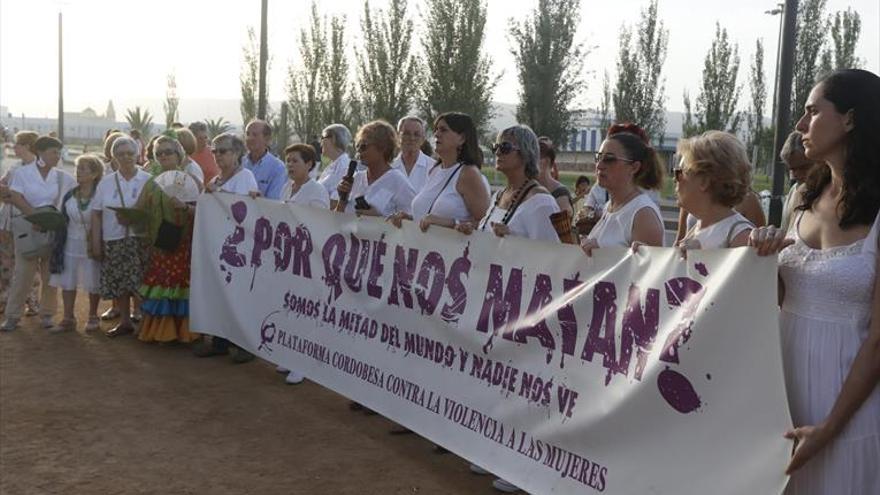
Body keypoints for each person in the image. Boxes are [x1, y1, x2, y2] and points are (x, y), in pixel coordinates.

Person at [749, 69, 880, 494]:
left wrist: (827, 429)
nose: (800, 126)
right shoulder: (800, 198)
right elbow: (780, 298)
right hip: (780, 396)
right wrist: (760, 259)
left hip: (847, 411)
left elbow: (879, 340)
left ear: (851, 119)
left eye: (811, 111)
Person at [457, 124, 560, 493]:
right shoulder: (502, 195)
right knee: (496, 382)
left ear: (526, 154)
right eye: (496, 146)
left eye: (507, 147)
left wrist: (516, 243)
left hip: (524, 309)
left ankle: (523, 467)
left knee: (522, 389)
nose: (498, 152)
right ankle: (495, 451)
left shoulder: (541, 201)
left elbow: (554, 260)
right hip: (494, 304)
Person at [195, 133, 260, 363]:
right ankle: (220, 341)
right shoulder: (214, 181)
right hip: (217, 247)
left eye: (223, 151)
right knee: (219, 295)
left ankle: (244, 345)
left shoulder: (245, 177)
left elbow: (245, 211)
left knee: (240, 296)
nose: (218, 155)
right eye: (215, 151)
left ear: (237, 153)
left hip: (238, 248)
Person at [0, 135, 76, 331]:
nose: (57, 156)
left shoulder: (63, 177)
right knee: (22, 274)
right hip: (27, 228)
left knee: (50, 275)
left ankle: (47, 315)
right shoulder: (22, 173)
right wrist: (36, 218)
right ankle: (12, 316)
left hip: (52, 230)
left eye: (59, 152)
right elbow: (16, 196)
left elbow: (78, 192)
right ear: (40, 152)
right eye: (53, 152)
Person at [134, 135, 201, 344]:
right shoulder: (151, 184)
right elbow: (140, 210)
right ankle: (162, 331)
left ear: (178, 154)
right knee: (162, 281)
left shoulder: (193, 181)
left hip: (185, 242)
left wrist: (186, 208)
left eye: (168, 152)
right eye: (159, 153)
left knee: (182, 282)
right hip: (159, 244)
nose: (163, 156)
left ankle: (185, 332)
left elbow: (205, 212)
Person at [275, 143, 329, 384]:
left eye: (295, 160)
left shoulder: (316, 191)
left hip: (309, 259)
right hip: (287, 256)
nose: (290, 165)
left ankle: (304, 363)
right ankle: (289, 356)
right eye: (288, 160)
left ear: (309, 164)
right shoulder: (287, 187)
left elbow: (319, 224)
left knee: (306, 310)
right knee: (288, 305)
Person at [90, 136, 152, 337]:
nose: (126, 157)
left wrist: (135, 220)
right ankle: (125, 321)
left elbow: (154, 211)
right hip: (114, 239)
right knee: (121, 282)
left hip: (140, 238)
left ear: (137, 155)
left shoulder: (147, 179)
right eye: (121, 154)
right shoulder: (106, 183)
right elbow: (96, 213)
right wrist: (96, 243)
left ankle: (144, 321)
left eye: (130, 153)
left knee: (142, 281)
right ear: (114, 157)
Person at [388, 112, 490, 231]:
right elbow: (428, 218)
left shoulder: (469, 174)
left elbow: (485, 224)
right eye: (436, 129)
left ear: (461, 138)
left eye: (443, 130)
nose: (436, 134)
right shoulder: (435, 170)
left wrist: (450, 223)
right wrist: (409, 219)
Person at [580, 123, 665, 255]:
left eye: (609, 159)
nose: (600, 165)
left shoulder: (643, 215)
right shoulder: (610, 207)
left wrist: (604, 254)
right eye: (598, 157)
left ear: (634, 167)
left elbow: (651, 273)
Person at [48, 154, 104, 332]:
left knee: (93, 279)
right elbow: (62, 219)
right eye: (77, 168)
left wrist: (98, 243)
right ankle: (68, 317)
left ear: (94, 174)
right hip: (69, 243)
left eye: (83, 169)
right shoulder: (69, 196)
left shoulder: (100, 195)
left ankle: (93, 316)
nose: (77, 172)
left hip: (92, 244)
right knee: (67, 280)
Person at [674, 131, 754, 250]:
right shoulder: (700, 226)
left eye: (680, 172)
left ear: (704, 181)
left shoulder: (741, 236)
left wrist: (700, 256)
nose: (675, 179)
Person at [336, 120, 415, 217]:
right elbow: (337, 222)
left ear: (382, 147)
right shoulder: (356, 179)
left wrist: (379, 219)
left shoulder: (399, 182)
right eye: (358, 146)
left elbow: (413, 224)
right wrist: (342, 200)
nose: (359, 151)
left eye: (363, 146)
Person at [0, 131, 41, 317]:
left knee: (29, 263)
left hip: (27, 222)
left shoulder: (39, 169)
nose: (14, 146)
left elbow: (31, 197)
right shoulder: (14, 167)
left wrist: (12, 195)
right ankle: (5, 300)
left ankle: (32, 302)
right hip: (6, 222)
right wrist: (11, 194)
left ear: (27, 146)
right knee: (5, 263)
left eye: (17, 143)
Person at [779, 131, 818, 232]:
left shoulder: (826, 195)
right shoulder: (794, 191)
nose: (797, 174)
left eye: (804, 167)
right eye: (792, 169)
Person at [243, 119, 286, 199]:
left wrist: (259, 198)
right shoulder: (238, 163)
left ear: (267, 139)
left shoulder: (278, 168)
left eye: (255, 135)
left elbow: (274, 202)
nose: (250, 138)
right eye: (247, 134)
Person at [390, 116, 433, 193]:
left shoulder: (434, 168)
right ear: (398, 137)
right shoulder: (389, 168)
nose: (412, 138)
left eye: (416, 134)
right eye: (406, 134)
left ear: (423, 139)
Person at [316, 123, 355, 208]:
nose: (320, 142)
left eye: (323, 137)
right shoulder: (333, 165)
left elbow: (336, 202)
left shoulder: (344, 167)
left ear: (333, 138)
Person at [537, 137, 573, 214]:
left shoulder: (560, 194)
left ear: (546, 161)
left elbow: (564, 223)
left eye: (535, 158)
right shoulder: (526, 189)